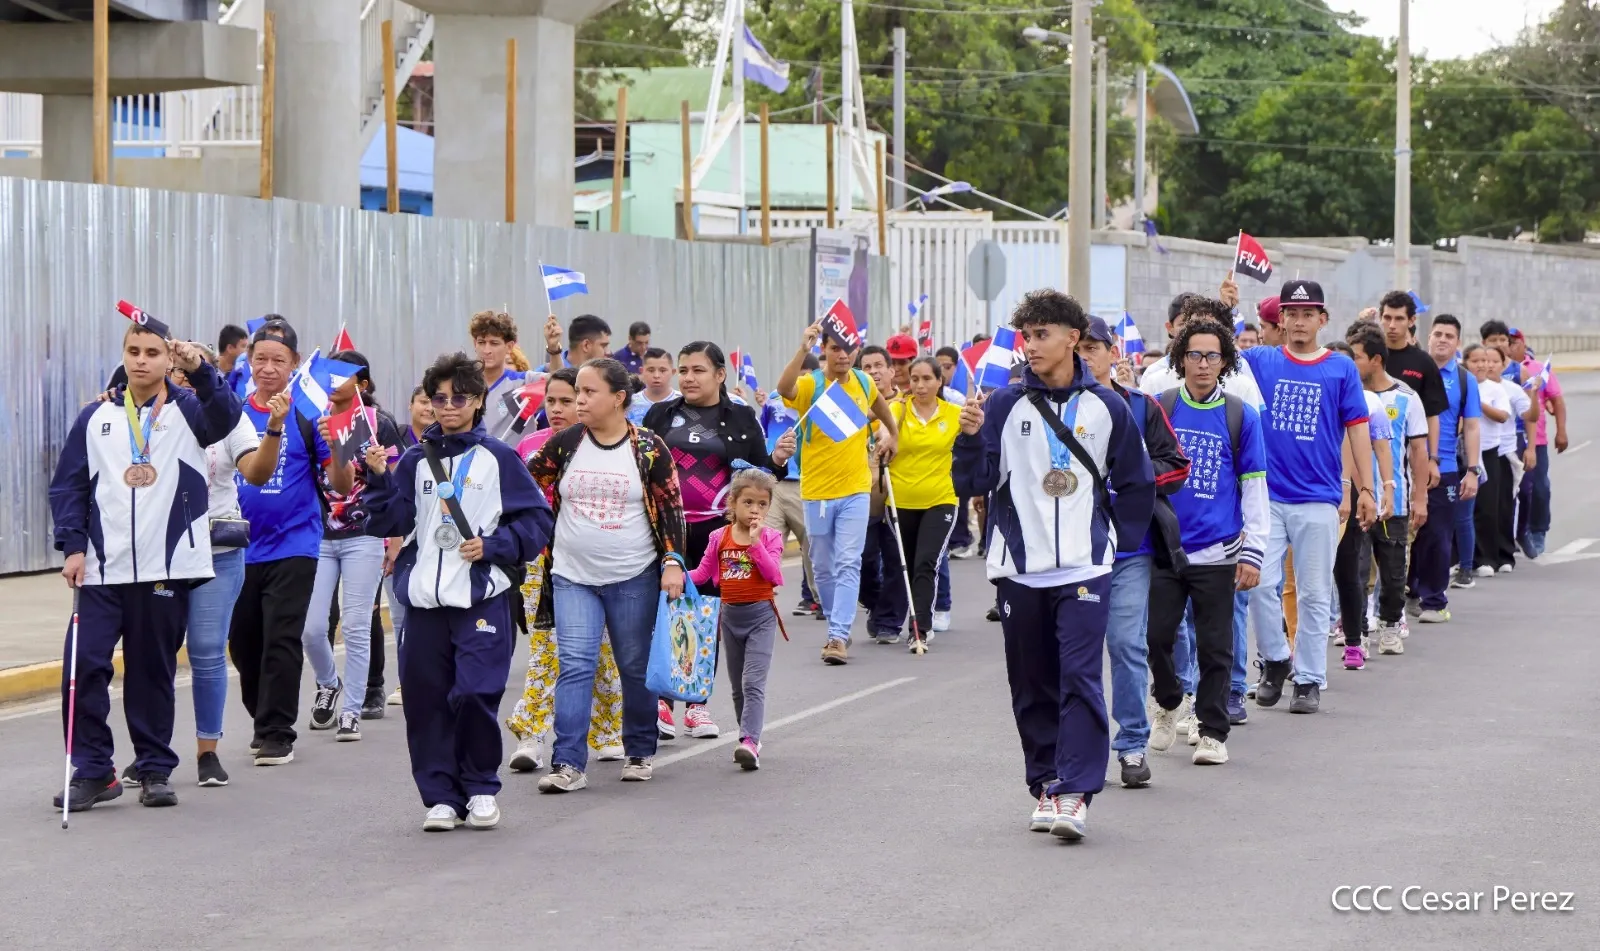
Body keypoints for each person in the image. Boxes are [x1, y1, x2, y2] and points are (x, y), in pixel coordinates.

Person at [954, 289, 1156, 841]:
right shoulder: (1001, 404)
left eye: (1043, 335)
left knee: (1081, 679)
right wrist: (968, 441)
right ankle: (1045, 782)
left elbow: (1136, 483)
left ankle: (1075, 792)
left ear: (1073, 338)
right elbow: (972, 485)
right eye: (1027, 336)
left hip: (1085, 570)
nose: (1032, 346)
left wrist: (1112, 544)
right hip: (1021, 570)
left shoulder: (1109, 407)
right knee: (1033, 683)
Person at [50, 327, 239, 811]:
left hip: (164, 566)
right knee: (83, 664)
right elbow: (68, 486)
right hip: (99, 568)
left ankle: (155, 768)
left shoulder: (190, 411)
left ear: (165, 359)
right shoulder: (96, 416)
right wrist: (72, 546)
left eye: (152, 353)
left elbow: (226, 417)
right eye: (133, 352)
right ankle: (94, 771)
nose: (141, 361)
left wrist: (200, 370)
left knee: (151, 672)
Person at [364, 351, 552, 831]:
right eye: (438, 398)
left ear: (478, 400)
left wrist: (492, 545)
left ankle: (481, 786)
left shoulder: (500, 459)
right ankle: (441, 797)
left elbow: (537, 524)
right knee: (426, 701)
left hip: (481, 596)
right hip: (425, 601)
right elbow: (391, 522)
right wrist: (379, 479)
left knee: (474, 692)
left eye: (459, 397)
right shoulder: (410, 461)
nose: (447, 406)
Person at [118, 349, 274, 790]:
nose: (183, 381)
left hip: (215, 553)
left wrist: (274, 432)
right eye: (176, 374)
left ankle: (208, 751)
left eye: (191, 373)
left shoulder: (229, 418)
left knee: (206, 650)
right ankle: (151, 754)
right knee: (155, 655)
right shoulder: (146, 416)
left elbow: (255, 471)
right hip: (159, 555)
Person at [529, 359, 687, 793]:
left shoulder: (649, 448)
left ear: (618, 398)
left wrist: (673, 563)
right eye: (576, 392)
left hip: (633, 575)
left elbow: (672, 508)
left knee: (634, 667)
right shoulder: (564, 444)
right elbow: (525, 485)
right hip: (571, 575)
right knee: (575, 665)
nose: (578, 400)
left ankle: (638, 750)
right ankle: (568, 764)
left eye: (588, 392)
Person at [1241, 280, 1376, 715]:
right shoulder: (1260, 360)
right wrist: (1226, 307)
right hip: (1267, 498)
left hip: (1318, 497)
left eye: (1307, 313)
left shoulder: (1339, 368)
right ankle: (1277, 659)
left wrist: (1365, 488)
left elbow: (1358, 428)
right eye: (1291, 313)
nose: (1299, 321)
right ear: (1279, 319)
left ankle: (1309, 679)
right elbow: (1215, 355)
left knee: (1315, 592)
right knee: (1259, 583)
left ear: (1323, 319)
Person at [643, 342, 791, 738]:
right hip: (666, 529)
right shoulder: (661, 414)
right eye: (684, 370)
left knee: (706, 617)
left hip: (716, 534)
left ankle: (697, 705)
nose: (688, 378)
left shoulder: (741, 417)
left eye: (698, 370)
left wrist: (776, 460)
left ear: (720, 375)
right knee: (666, 613)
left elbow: (760, 478)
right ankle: (662, 701)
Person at [230, 319, 353, 767]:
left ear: (294, 365)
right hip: (237, 548)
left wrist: (338, 449)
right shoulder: (233, 414)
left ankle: (277, 732)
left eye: (277, 361)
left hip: (295, 544)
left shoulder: (309, 415)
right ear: (248, 361)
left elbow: (341, 484)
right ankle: (263, 716)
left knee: (282, 637)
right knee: (244, 643)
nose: (267, 368)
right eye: (259, 359)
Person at [1146, 315, 1267, 767]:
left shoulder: (1241, 415)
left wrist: (1253, 552)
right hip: (1166, 546)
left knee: (1216, 647)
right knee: (1157, 637)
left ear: (1224, 361)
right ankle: (1168, 700)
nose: (1202, 363)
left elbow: (1255, 487)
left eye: (1212, 355)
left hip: (1219, 550)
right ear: (1180, 358)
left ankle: (1213, 732)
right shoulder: (1161, 407)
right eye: (1194, 354)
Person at [1075, 315, 1188, 787]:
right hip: (1069, 552)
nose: (1085, 356)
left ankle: (1132, 744)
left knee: (1124, 643)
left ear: (1111, 350)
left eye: (1093, 347)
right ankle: (1075, 748)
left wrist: (1131, 483)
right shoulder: (1048, 408)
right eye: (1077, 347)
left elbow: (1176, 465)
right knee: (1075, 656)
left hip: (1130, 549)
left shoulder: (1140, 407)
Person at [505, 368, 624, 770]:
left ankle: (607, 729)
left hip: (599, 561)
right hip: (542, 563)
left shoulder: (610, 445)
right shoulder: (531, 447)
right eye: (551, 401)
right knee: (547, 650)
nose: (557, 409)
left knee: (601, 653)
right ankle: (531, 734)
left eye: (567, 400)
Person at [777, 322, 900, 665]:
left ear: (855, 352)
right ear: (825, 351)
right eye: (835, 349)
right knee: (823, 567)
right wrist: (802, 348)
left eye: (848, 349)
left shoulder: (862, 382)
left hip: (856, 490)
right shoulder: (811, 385)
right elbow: (783, 387)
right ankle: (836, 623)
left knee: (849, 563)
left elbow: (881, 407)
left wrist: (893, 434)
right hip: (816, 492)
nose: (842, 355)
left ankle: (838, 635)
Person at [298, 351, 402, 742]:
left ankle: (352, 710)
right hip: (319, 537)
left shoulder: (378, 426)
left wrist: (395, 538)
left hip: (366, 536)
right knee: (310, 629)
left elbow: (394, 486)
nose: (332, 381)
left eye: (342, 375)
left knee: (357, 625)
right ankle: (328, 683)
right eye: (328, 373)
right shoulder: (312, 420)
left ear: (362, 384)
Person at [686, 469, 786, 770]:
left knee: (752, 682)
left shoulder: (771, 537)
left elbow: (775, 576)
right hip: (729, 617)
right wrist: (673, 574)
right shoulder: (719, 537)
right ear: (733, 503)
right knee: (737, 687)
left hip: (761, 617)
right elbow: (702, 575)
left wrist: (755, 545)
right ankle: (748, 737)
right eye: (748, 502)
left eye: (762, 504)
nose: (755, 510)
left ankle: (749, 741)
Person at [1346, 324, 1428, 658]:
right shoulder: (1346, 395)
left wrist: (1419, 497)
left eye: (1356, 357)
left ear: (1376, 360)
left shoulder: (1407, 398)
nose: (1350, 365)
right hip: (1354, 500)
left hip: (1392, 502)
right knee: (1356, 571)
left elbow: (1419, 453)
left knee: (1394, 575)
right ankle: (1358, 632)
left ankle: (1391, 625)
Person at [878, 357, 963, 651]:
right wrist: (886, 439)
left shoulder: (955, 413)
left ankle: (920, 629)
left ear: (939, 381)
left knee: (926, 563)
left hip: (940, 499)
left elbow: (974, 444)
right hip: (899, 500)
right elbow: (883, 434)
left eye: (927, 378)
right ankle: (905, 619)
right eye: (914, 379)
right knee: (907, 566)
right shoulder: (897, 409)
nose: (920, 385)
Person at [1325, 338, 1394, 669]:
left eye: (1347, 363)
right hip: (1311, 491)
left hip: (1346, 496)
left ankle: (1354, 640)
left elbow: (1376, 449)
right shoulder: (1316, 395)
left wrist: (1375, 489)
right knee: (1296, 578)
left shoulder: (1366, 402)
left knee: (1348, 570)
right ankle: (1291, 641)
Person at [1420, 315, 1482, 607]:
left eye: (1449, 335)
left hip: (1446, 469)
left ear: (1457, 343)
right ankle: (1405, 595)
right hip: (1409, 468)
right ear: (1428, 337)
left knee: (1439, 536)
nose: (1442, 339)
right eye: (1437, 334)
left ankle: (1433, 599)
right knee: (1405, 538)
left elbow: (1471, 427)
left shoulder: (1464, 379)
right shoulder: (1414, 370)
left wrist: (1472, 470)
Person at [384, 385, 435, 708]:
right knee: (402, 615)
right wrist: (392, 541)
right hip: (400, 538)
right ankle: (406, 682)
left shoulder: (446, 443)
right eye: (423, 401)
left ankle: (433, 676)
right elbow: (391, 491)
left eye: (435, 401)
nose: (429, 408)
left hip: (434, 538)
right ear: (411, 404)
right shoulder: (396, 438)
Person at [761, 354, 821, 616]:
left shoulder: (821, 400)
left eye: (807, 374)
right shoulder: (775, 399)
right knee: (765, 543)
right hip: (775, 482)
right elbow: (763, 430)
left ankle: (820, 598)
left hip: (805, 483)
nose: (800, 379)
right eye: (798, 372)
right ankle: (760, 597)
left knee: (813, 546)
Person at [1506, 328, 1566, 557]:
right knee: (1512, 493)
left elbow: (1556, 401)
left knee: (1539, 489)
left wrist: (1561, 431)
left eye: (1514, 342)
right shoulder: (1493, 369)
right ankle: (1512, 536)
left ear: (1522, 344)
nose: (1510, 347)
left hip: (1535, 440)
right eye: (1505, 342)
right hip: (1508, 441)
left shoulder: (1537, 369)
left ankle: (1537, 531)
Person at [1469, 343, 1527, 576]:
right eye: (1476, 361)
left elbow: (1502, 416)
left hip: (1491, 452)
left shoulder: (1496, 389)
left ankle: (1489, 558)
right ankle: (1467, 558)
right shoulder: (1463, 384)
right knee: (1466, 510)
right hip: (1465, 452)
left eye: (1485, 360)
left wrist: (1476, 402)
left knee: (1489, 508)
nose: (1483, 365)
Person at [470, 310, 529, 440]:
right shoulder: (461, 383)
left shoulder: (525, 382)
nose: (487, 350)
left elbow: (560, 385)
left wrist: (554, 351)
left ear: (509, 346)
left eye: (494, 343)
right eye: (481, 342)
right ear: (475, 344)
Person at [539, 313, 612, 372]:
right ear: (586, 345)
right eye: (603, 346)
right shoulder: (544, 374)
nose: (608, 352)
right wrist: (553, 349)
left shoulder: (605, 377)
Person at [623, 347, 678, 425]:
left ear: (673, 372)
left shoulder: (682, 402)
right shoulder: (630, 403)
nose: (656, 375)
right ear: (642, 371)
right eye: (651, 370)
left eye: (663, 370)